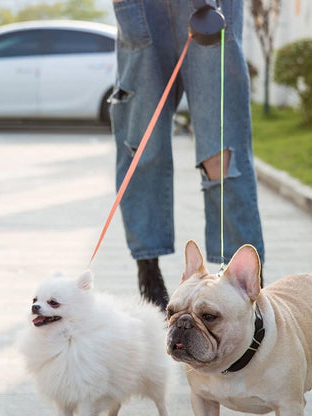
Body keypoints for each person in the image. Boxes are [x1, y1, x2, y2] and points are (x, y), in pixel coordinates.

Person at [110, 0, 265, 311]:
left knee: (222, 154)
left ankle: (244, 282)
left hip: (210, 6)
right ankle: (148, 274)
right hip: (142, 10)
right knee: (141, 147)